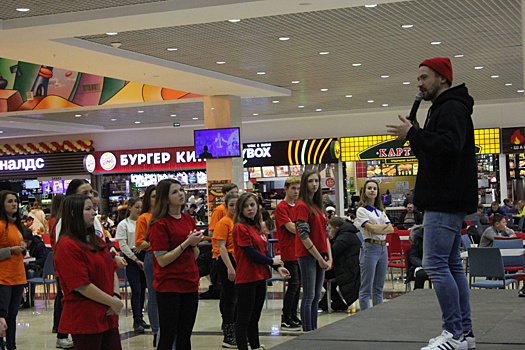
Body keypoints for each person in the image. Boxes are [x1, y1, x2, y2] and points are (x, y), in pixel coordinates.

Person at [387, 56, 477, 350]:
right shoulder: (447, 107)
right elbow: (435, 153)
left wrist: (414, 133)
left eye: (424, 77)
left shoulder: (450, 108)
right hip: (448, 198)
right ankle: (464, 333)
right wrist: (418, 136)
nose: (419, 83)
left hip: (444, 199)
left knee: (435, 264)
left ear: (442, 78)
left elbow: (450, 147)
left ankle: (454, 333)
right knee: (450, 265)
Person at [54, 194, 123, 350]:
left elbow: (111, 268)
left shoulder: (96, 240)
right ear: (73, 213)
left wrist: (116, 296)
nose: (94, 213)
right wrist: (112, 301)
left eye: (93, 208)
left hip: (107, 313)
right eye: (88, 209)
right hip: (86, 317)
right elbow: (81, 285)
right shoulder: (67, 246)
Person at [148, 179, 203, 350]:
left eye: (181, 190)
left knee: (185, 334)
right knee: (168, 334)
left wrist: (193, 244)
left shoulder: (188, 219)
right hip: (169, 286)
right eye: (174, 192)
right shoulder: (159, 224)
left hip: (190, 283)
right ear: (165, 198)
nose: (181, 194)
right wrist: (186, 243)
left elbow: (195, 255)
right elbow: (162, 260)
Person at [233, 192, 290, 350]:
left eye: (252, 205)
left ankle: (256, 346)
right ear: (240, 209)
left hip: (259, 276)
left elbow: (264, 252)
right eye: (245, 206)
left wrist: (278, 267)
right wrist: (272, 261)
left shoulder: (257, 227)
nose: (249, 209)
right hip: (246, 277)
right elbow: (250, 252)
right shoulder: (240, 227)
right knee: (243, 319)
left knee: (254, 317)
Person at [295, 170, 332, 332]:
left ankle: (313, 330)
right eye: (310, 181)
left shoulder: (318, 206)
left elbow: (325, 235)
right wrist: (319, 258)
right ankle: (307, 331)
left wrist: (328, 257)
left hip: (320, 255)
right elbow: (304, 236)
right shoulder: (301, 206)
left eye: (316, 181)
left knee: (316, 296)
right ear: (305, 183)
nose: (314, 184)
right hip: (308, 255)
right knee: (309, 296)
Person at [354, 179, 393, 311]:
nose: (372, 190)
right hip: (370, 248)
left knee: (379, 288)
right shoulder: (361, 210)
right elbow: (372, 230)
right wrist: (382, 226)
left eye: (374, 188)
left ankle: (379, 316)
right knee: (366, 288)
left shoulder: (380, 211)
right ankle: (366, 317)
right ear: (364, 191)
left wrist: (377, 227)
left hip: (383, 248)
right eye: (369, 188)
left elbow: (391, 229)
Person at [115, 197, 149, 333]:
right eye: (137, 207)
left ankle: (141, 317)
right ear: (130, 208)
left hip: (144, 255)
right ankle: (136, 319)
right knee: (136, 290)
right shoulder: (124, 224)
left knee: (143, 289)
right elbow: (123, 245)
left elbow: (147, 238)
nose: (139, 210)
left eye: (141, 207)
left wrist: (142, 246)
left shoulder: (143, 222)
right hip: (131, 259)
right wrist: (135, 258)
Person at [274, 176, 302, 331]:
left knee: (297, 286)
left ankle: (293, 314)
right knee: (293, 284)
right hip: (289, 251)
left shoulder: (298, 206)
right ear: (286, 189)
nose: (296, 191)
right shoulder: (282, 208)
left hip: (299, 250)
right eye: (293, 188)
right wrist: (302, 227)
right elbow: (291, 228)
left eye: (298, 189)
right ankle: (286, 317)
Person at [0, 191, 27, 350]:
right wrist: (11, 250)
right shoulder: (1, 225)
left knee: (12, 317)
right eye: (10, 201)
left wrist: (22, 247)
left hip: (18, 277)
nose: (14, 204)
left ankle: (12, 346)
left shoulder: (16, 225)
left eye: (15, 201)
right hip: (3, 278)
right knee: (2, 318)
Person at [134, 184, 159, 347]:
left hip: (169, 257)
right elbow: (139, 244)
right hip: (152, 256)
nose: (157, 200)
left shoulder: (166, 215)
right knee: (154, 295)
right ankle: (157, 331)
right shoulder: (144, 218)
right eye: (154, 196)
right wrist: (156, 241)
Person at [212, 192, 239, 348]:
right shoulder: (224, 222)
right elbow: (221, 247)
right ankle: (228, 334)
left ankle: (236, 329)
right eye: (231, 205)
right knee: (230, 298)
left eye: (237, 204)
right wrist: (229, 267)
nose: (234, 208)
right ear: (226, 206)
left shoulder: (240, 221)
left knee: (238, 298)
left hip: (238, 261)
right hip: (226, 261)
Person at [47, 194, 74, 348]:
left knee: (60, 297)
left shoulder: (55, 221)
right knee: (62, 298)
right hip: (61, 263)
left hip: (60, 262)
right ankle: (60, 330)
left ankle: (58, 326)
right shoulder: (56, 222)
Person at [321, 217, 361, 310]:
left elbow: (333, 252)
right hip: (350, 267)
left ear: (337, 228)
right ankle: (330, 302)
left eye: (330, 229)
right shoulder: (347, 234)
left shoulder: (344, 237)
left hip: (348, 269)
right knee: (327, 276)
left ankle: (337, 302)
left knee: (321, 274)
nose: (328, 231)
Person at [21, 228, 48, 308]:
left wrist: (30, 263)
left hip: (37, 268)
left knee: (30, 272)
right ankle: (20, 297)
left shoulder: (39, 245)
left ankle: (30, 298)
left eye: (27, 242)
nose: (25, 244)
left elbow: (43, 260)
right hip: (22, 267)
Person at [406, 225, 429, 290]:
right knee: (421, 274)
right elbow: (413, 256)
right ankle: (417, 295)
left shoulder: (442, 237)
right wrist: (422, 264)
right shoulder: (418, 238)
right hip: (422, 265)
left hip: (439, 265)